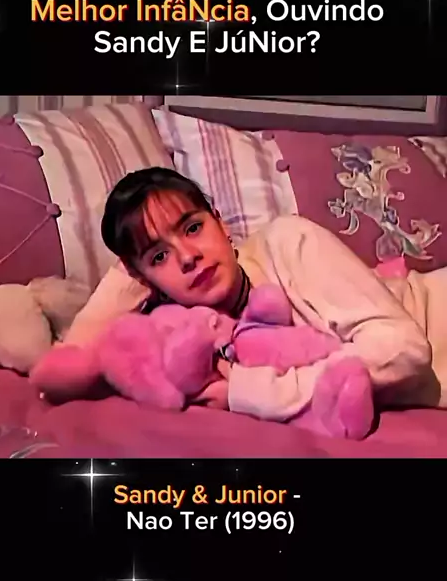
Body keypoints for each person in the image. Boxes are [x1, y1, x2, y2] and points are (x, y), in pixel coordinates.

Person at [65, 167, 447, 418]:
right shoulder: (184, 335)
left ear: (220, 223)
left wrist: (251, 392)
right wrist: (126, 277)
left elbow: (403, 348)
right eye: (159, 255)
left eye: (193, 228)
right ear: (142, 276)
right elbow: (67, 370)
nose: (187, 257)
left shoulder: (289, 242)